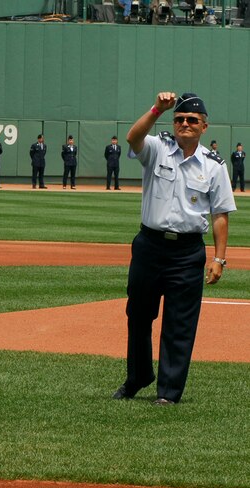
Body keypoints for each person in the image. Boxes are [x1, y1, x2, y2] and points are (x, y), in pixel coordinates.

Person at [112, 91, 236, 405]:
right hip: (149, 247)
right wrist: (156, 109)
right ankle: (138, 376)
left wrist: (219, 257)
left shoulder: (213, 165)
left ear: (204, 127)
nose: (184, 124)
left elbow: (220, 215)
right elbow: (133, 137)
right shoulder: (158, 148)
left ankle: (168, 392)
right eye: (179, 119)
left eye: (192, 120)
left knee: (180, 323)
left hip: (187, 252)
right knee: (138, 316)